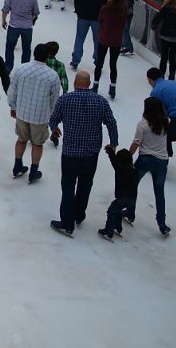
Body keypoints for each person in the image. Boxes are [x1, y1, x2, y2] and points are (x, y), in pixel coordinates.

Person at [47, 69, 119, 237]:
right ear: (88, 84)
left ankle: (67, 222)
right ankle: (79, 215)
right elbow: (111, 122)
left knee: (68, 186)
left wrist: (55, 128)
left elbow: (53, 118)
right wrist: (113, 143)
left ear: (75, 83)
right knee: (85, 185)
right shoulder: (100, 101)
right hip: (91, 153)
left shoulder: (65, 99)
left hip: (71, 152)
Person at [7, 42, 61, 184]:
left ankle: (17, 165)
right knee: (37, 144)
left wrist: (13, 107)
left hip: (22, 112)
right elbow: (54, 99)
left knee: (21, 139)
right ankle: (33, 170)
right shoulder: (52, 76)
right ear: (47, 57)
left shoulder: (21, 69)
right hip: (40, 116)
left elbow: (13, 90)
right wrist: (51, 115)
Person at [124, 96, 172, 237]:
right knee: (159, 193)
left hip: (145, 159)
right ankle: (162, 224)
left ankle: (130, 212)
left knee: (133, 186)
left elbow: (136, 143)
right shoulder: (166, 122)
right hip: (162, 161)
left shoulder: (143, 124)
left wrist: (127, 157)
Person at [69, 0, 110, 70]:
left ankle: (75, 60)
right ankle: (98, 61)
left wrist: (78, 10)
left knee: (79, 38)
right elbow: (107, 2)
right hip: (98, 17)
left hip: (83, 15)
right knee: (97, 40)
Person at [0, 0, 40, 72]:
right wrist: (30, 19)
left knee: (10, 47)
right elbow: (36, 13)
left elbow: (5, 10)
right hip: (27, 27)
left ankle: (8, 67)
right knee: (26, 49)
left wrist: (4, 20)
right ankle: (24, 69)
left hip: (14, 26)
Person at [94, 0, 128, 98]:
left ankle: (95, 86)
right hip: (116, 40)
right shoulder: (124, 10)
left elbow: (100, 20)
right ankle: (113, 88)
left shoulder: (105, 8)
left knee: (99, 63)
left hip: (104, 38)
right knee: (113, 64)